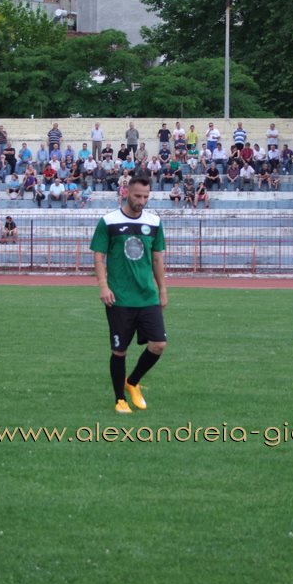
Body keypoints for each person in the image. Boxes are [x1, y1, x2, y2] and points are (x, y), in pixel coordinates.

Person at [90, 177, 167, 414]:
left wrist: (162, 289)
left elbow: (157, 259)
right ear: (126, 192)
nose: (141, 201)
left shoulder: (154, 222)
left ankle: (132, 382)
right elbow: (99, 257)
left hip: (147, 296)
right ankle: (119, 399)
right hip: (120, 298)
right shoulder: (109, 221)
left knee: (159, 344)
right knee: (119, 350)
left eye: (145, 197)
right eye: (137, 196)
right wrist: (103, 286)